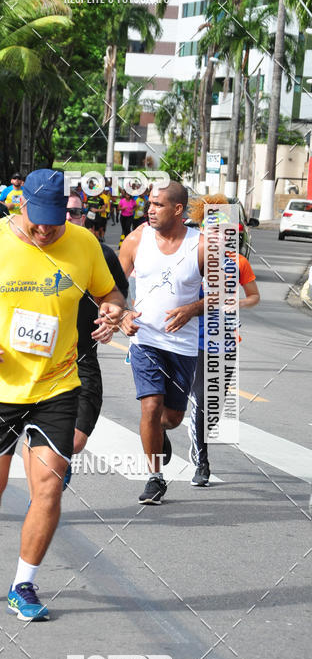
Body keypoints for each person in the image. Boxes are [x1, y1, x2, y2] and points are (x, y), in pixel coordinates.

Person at [0, 169, 125, 621]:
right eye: (37, 220)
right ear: (21, 204)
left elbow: (112, 292)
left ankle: (24, 584)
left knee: (49, 486)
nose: (45, 230)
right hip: (0, 385)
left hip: (58, 385)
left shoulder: (84, 244)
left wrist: (114, 311)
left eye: (54, 221)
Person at [119, 181, 205, 504]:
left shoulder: (201, 245)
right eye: (149, 204)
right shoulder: (138, 238)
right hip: (145, 339)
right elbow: (109, 284)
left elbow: (225, 295)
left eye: (158, 205)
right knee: (151, 407)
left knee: (171, 417)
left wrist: (193, 308)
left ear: (178, 210)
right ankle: (155, 478)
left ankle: (160, 434)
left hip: (181, 345)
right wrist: (123, 313)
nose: (150, 210)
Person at [187, 194, 260, 486]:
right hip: (197, 340)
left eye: (225, 230)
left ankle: (200, 434)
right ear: (203, 229)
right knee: (203, 401)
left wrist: (237, 304)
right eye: (213, 230)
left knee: (216, 406)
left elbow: (254, 296)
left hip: (227, 341)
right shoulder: (192, 259)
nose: (219, 235)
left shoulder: (239, 262)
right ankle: (201, 463)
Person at [59, 192, 129, 484]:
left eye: (75, 212)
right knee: (43, 438)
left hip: (82, 358)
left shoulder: (102, 253)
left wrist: (112, 321)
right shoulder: (33, 250)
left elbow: (117, 298)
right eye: (62, 210)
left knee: (75, 441)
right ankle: (46, 482)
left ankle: (58, 462)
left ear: (84, 215)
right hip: (39, 362)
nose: (68, 217)